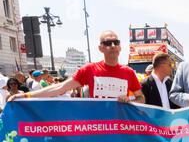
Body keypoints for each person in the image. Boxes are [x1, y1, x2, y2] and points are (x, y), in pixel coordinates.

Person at [7, 31, 144, 103]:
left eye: (116, 42)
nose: (113, 46)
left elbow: (141, 98)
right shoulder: (90, 69)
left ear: (120, 46)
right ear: (100, 48)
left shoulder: (128, 72)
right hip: (98, 128)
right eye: (108, 42)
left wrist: (130, 100)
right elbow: (60, 88)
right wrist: (26, 95)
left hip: (121, 129)